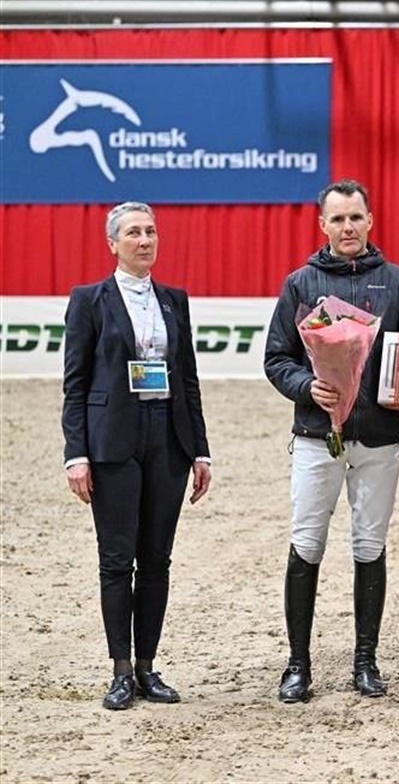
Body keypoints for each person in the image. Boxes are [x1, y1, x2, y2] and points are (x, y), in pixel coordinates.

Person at [264, 178, 399, 703]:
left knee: (369, 545)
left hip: (380, 439)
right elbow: (276, 358)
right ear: (322, 224)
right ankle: (298, 665)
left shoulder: (397, 283)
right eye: (338, 219)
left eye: (356, 218)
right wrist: (307, 386)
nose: (348, 227)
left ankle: (366, 662)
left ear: (370, 221)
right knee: (307, 544)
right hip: (318, 437)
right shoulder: (300, 284)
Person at [62, 201, 213, 710]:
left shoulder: (174, 301)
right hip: (112, 442)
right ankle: (121, 671)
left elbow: (188, 379)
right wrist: (76, 454)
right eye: (133, 233)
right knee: (116, 559)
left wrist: (200, 450)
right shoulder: (89, 301)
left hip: (167, 437)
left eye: (150, 231)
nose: (145, 240)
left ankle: (148, 666)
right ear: (113, 243)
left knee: (156, 559)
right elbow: (76, 384)